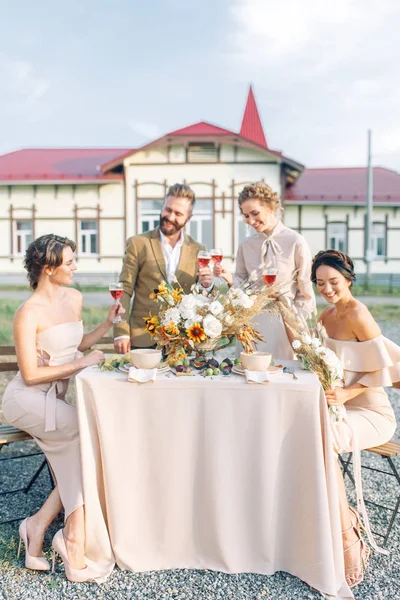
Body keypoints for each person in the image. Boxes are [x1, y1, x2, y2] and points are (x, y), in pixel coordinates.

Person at [2, 234, 121, 582]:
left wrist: (107, 325)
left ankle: (40, 529)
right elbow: (31, 373)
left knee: (84, 450)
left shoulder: (74, 297)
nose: (75, 267)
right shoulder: (27, 313)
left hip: (53, 401)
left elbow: (75, 344)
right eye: (69, 262)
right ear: (48, 268)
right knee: (92, 442)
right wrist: (82, 363)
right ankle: (68, 540)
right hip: (26, 399)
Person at [312, 249, 398, 588]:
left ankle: (348, 538)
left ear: (348, 278)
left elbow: (384, 366)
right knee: (306, 433)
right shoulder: (324, 316)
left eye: (333, 281)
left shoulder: (358, 314)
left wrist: (347, 394)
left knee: (322, 438)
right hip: (339, 409)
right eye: (320, 283)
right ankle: (325, 523)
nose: (328, 289)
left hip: (372, 412)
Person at [214, 182, 315, 358]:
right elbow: (241, 288)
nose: (250, 221)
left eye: (255, 213)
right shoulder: (245, 245)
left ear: (270, 207)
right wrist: (229, 278)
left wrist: (295, 323)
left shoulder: (296, 242)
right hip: (251, 325)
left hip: (284, 326)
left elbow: (306, 293)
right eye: (246, 216)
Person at [114, 183, 213, 353]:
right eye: (168, 210)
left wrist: (207, 285)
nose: (170, 216)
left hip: (182, 341)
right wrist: (121, 332)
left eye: (178, 214)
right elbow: (124, 290)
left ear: (189, 218)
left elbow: (201, 298)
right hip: (142, 338)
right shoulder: (138, 243)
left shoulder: (198, 249)